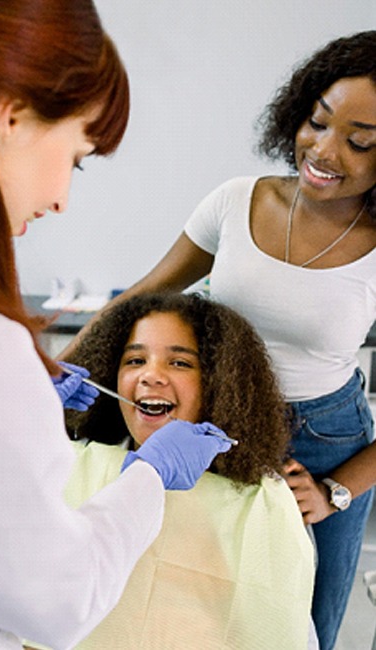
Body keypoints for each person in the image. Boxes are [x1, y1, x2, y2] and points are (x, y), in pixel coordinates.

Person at [0, 2, 232, 649]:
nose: (64, 197)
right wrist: (148, 478)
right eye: (78, 155)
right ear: (8, 116)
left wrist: (16, 405)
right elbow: (58, 602)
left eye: (179, 360)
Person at [60, 30, 376, 650]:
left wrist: (338, 490)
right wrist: (56, 369)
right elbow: (139, 299)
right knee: (191, 606)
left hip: (323, 443)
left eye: (360, 142)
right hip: (213, 419)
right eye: (317, 122)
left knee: (305, 622)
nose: (324, 150)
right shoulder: (237, 202)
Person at [45, 293, 315, 650]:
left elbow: (282, 622)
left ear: (221, 382)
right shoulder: (67, 466)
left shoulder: (263, 504)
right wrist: (19, 415)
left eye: (180, 363)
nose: (151, 375)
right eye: (136, 359)